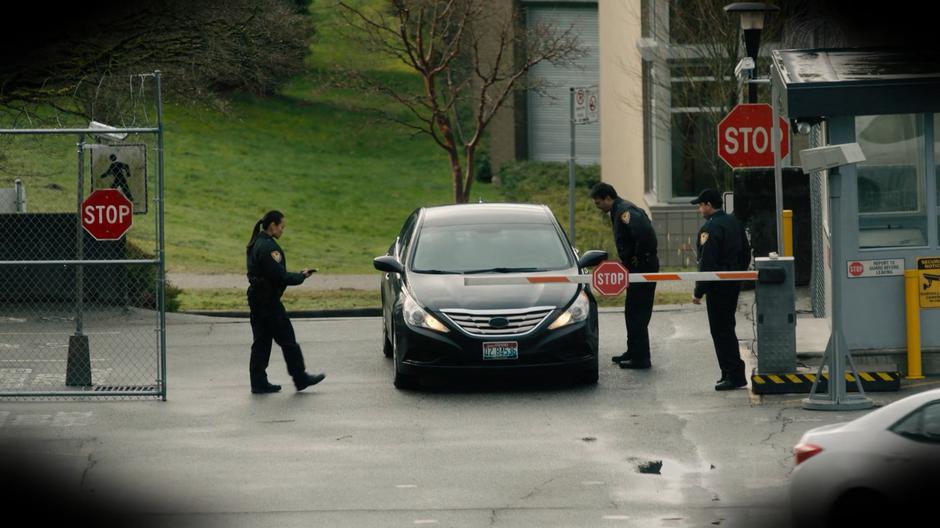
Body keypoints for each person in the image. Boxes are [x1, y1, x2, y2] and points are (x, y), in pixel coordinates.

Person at [245, 210, 325, 394]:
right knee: (288, 341)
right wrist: (301, 276)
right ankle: (300, 378)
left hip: (257, 301)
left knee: (261, 342)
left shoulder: (255, 242)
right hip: (268, 302)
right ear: (272, 225)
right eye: (282, 226)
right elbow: (279, 276)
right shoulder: (268, 248)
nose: (283, 230)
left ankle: (258, 382)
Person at [590, 182, 660, 369]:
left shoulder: (624, 212)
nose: (598, 207)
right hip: (636, 268)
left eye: (598, 203)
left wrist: (639, 257)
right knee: (631, 311)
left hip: (642, 268)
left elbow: (645, 234)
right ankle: (633, 351)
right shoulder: (618, 211)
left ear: (607, 198)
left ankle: (641, 358)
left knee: (638, 312)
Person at [690, 189, 751, 391]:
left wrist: (699, 291)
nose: (699, 209)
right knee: (727, 327)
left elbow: (707, 263)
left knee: (720, 330)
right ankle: (730, 372)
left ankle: (733, 374)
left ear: (708, 205)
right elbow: (746, 253)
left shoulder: (711, 228)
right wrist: (738, 275)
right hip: (732, 282)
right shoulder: (734, 222)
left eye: (700, 205)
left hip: (718, 286)